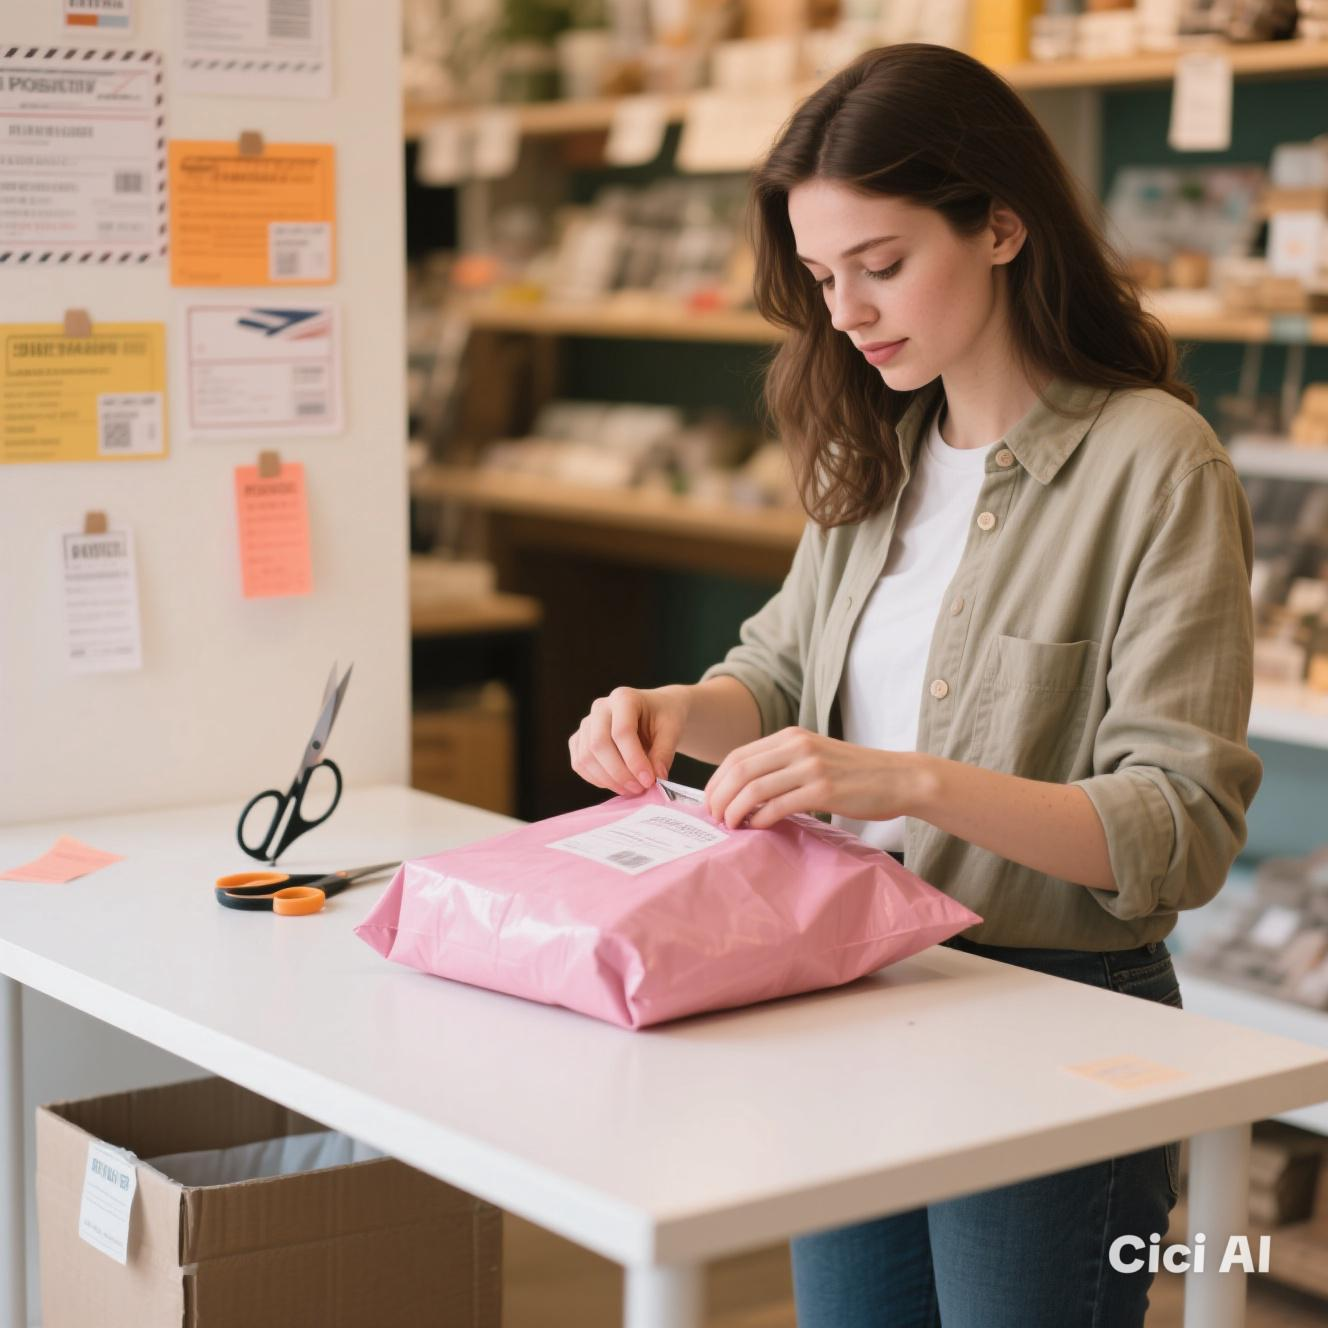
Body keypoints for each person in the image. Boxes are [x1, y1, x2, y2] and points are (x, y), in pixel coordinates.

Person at [567, 41, 1263, 1328]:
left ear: (1000, 225)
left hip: (1053, 1021)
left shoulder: (1154, 463)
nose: (846, 311)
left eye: (880, 266)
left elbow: (1177, 823)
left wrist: (900, 781)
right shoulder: (878, 447)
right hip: (855, 992)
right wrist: (675, 714)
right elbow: (774, 670)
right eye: (824, 277)